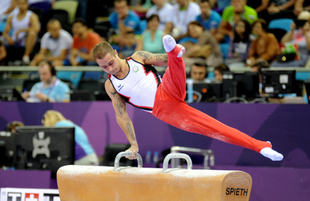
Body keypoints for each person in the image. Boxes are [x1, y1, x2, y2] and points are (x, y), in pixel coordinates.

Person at [92, 34, 284, 162]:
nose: (110, 68)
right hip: (164, 111)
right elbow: (122, 116)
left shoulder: (137, 57)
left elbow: (162, 60)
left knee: (173, 63)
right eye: (104, 67)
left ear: (116, 53)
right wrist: (134, 144)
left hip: (167, 87)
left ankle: (175, 51)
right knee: (214, 128)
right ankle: (261, 147)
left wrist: (174, 55)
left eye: (111, 62)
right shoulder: (111, 86)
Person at [2, 0, 40, 64]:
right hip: (14, 39)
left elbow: (37, 28)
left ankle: (26, 56)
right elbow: (5, 33)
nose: (21, 6)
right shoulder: (12, 17)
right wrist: (8, 38)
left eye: (23, 4)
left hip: (25, 39)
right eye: (19, 4)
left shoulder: (31, 16)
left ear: (27, 5)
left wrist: (22, 30)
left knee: (32, 33)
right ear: (17, 5)